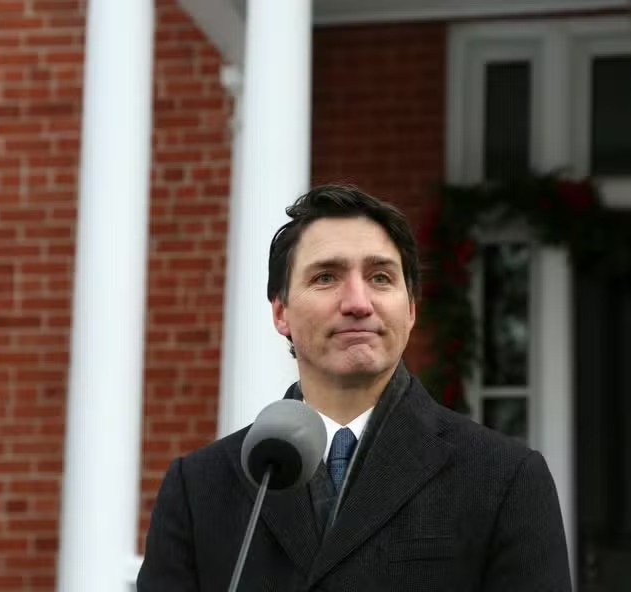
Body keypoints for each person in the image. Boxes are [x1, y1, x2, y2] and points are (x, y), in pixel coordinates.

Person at [137, 185, 571, 591]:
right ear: (280, 312)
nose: (359, 303)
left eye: (381, 278)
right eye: (326, 277)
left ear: (411, 309)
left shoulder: (505, 478)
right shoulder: (198, 489)